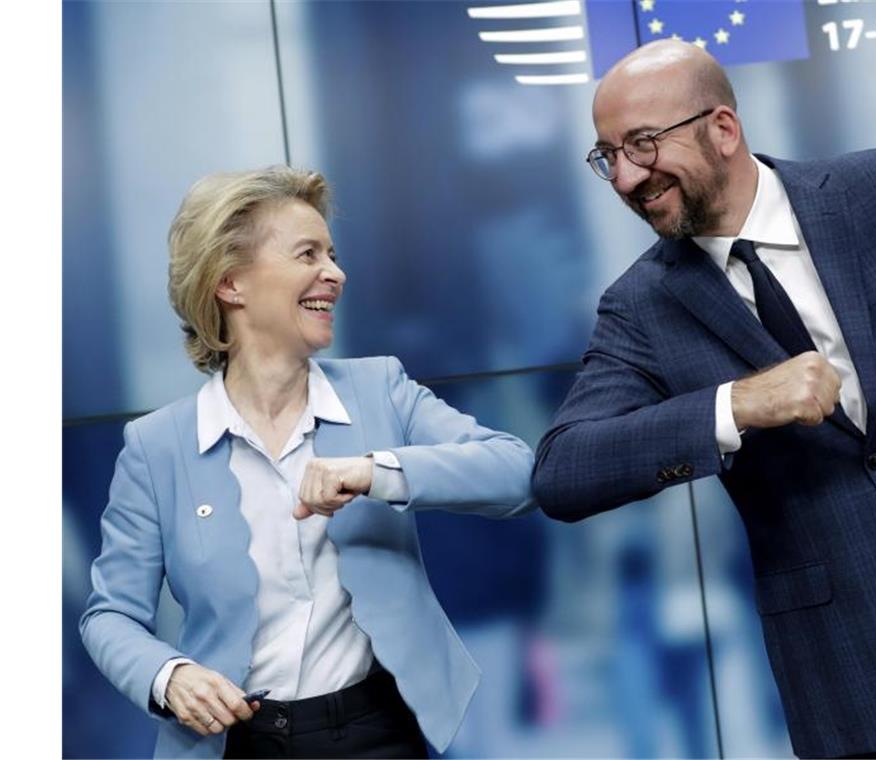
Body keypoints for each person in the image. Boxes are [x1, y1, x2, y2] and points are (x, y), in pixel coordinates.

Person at [532, 40, 876, 759]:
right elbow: (562, 473)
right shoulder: (642, 308)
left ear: (723, 128)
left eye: (643, 144)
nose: (628, 176)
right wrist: (734, 407)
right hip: (853, 675)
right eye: (608, 156)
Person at [80, 167, 535, 759]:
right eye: (307, 254)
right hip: (234, 743)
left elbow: (516, 471)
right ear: (231, 283)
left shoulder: (381, 389)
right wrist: (169, 676)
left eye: (333, 253)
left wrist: (376, 471)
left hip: (377, 732)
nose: (335, 273)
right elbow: (109, 615)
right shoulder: (156, 446)